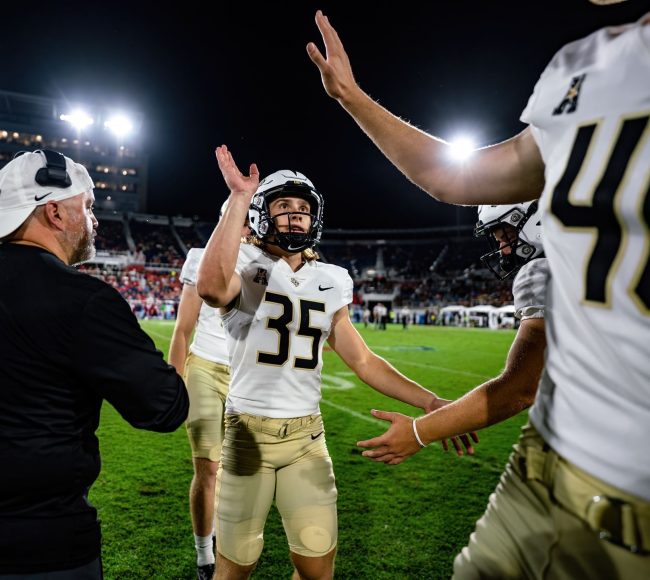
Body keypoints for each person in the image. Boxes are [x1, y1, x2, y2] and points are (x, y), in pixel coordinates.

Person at [308, 5, 650, 577]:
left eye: (502, 230)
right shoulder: (583, 66)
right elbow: (455, 178)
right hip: (564, 452)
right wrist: (351, 95)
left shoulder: (546, 266)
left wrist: (421, 429)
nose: (500, 244)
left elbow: (519, 387)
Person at [196, 145, 475, 580]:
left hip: (308, 437)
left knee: (316, 566)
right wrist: (236, 199)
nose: (294, 215)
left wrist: (430, 401)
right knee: (235, 567)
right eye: (283, 206)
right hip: (247, 435)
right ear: (259, 215)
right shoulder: (245, 266)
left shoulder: (331, 279)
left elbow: (364, 360)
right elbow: (211, 288)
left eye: (303, 209)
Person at [0, 149, 189, 579]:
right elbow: (165, 408)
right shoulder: (83, 300)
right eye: (86, 206)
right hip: (42, 544)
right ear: (54, 213)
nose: (95, 219)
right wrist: (178, 343)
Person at [358, 200, 546, 461]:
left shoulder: (542, 272)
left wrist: (419, 431)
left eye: (506, 236)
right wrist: (431, 402)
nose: (503, 249)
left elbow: (522, 387)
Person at [168, 201, 249, 580]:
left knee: (241, 471)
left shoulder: (265, 264)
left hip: (246, 375)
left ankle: (229, 539)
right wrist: (173, 381)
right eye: (237, 219)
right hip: (203, 365)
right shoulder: (200, 256)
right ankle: (205, 554)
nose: (244, 228)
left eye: (249, 221)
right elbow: (184, 328)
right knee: (209, 467)